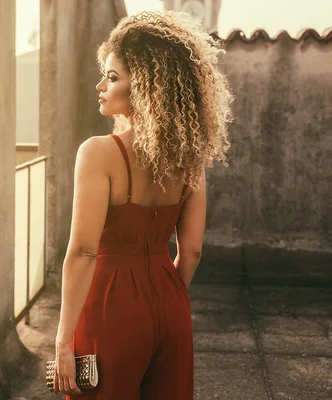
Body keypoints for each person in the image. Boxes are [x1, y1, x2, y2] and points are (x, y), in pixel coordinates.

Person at [52, 11, 233, 399]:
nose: (101, 85)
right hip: (171, 303)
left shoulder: (98, 153)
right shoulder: (190, 157)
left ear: (149, 88)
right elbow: (193, 250)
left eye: (113, 77)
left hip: (110, 307)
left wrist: (63, 341)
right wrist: (162, 300)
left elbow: (83, 251)